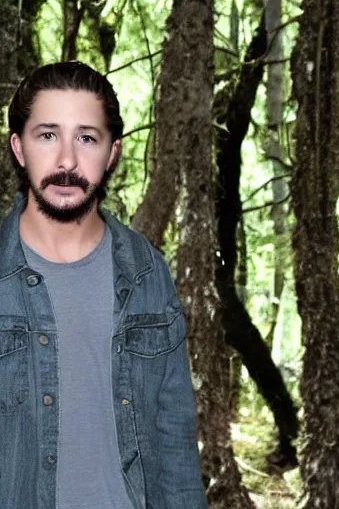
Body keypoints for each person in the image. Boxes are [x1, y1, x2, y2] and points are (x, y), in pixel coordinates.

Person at [0, 61, 208, 509]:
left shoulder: (147, 273)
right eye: (48, 135)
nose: (67, 160)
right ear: (19, 148)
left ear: (112, 152)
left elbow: (175, 440)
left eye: (87, 138)